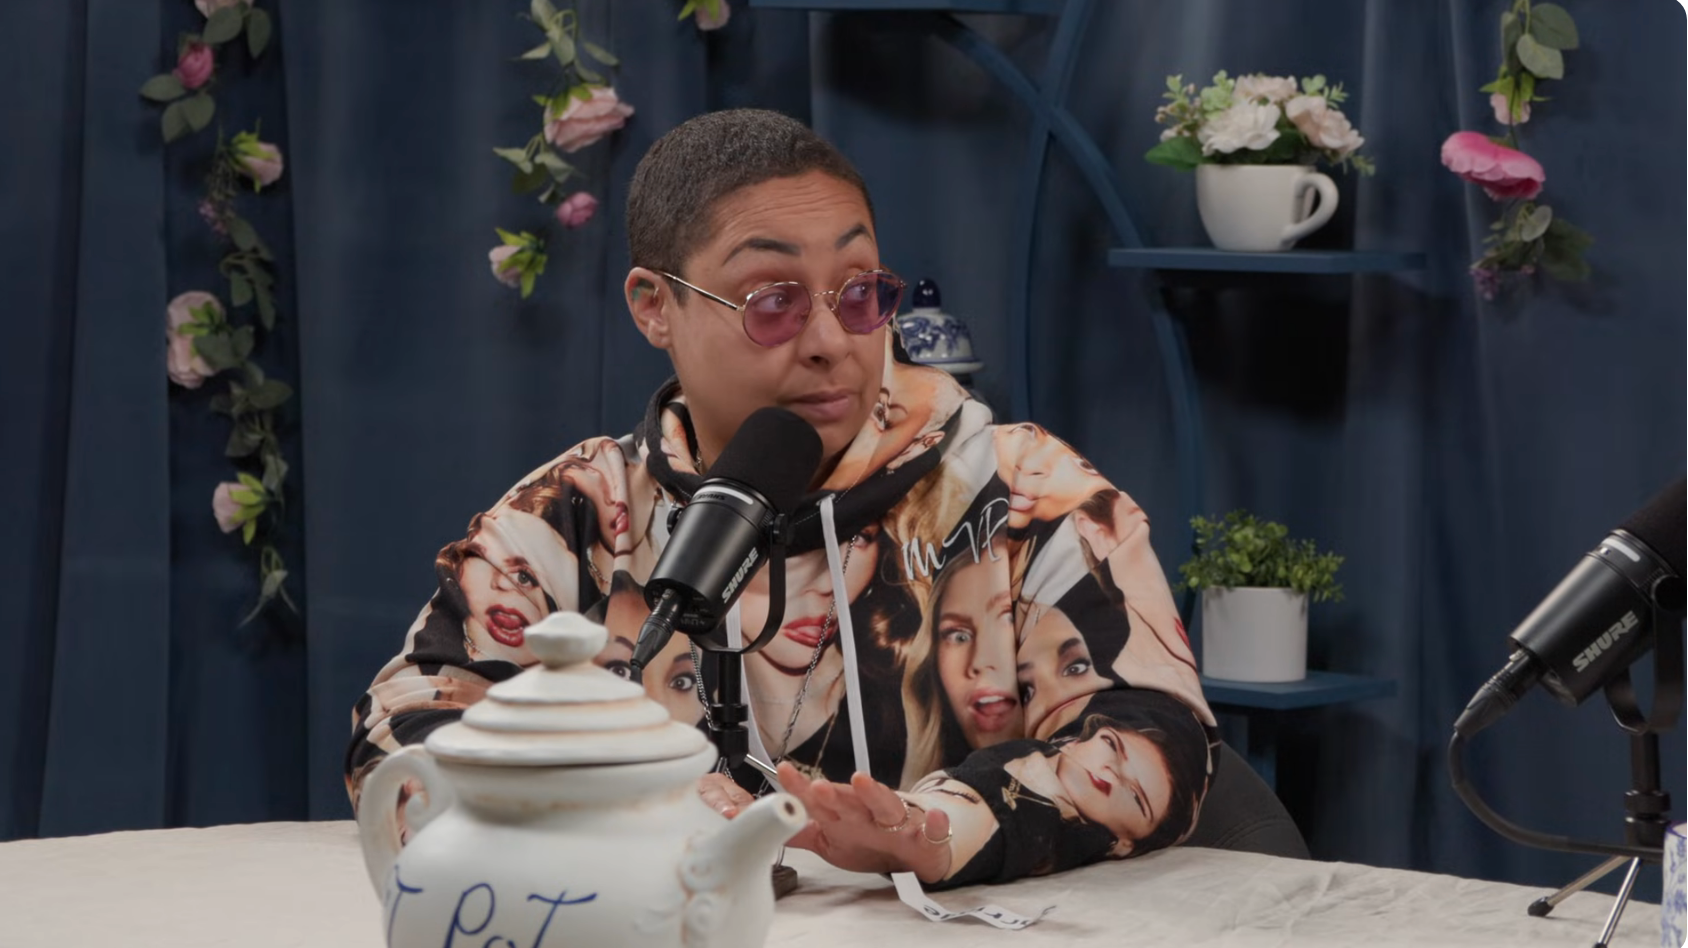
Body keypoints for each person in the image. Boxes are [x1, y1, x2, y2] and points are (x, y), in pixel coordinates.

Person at [346, 108, 1216, 889]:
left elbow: (1157, 732)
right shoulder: (584, 508)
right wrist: (604, 804)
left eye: (861, 293)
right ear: (655, 308)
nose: (832, 342)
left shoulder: (1024, 491)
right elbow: (404, 720)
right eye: (774, 302)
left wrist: (941, 828)